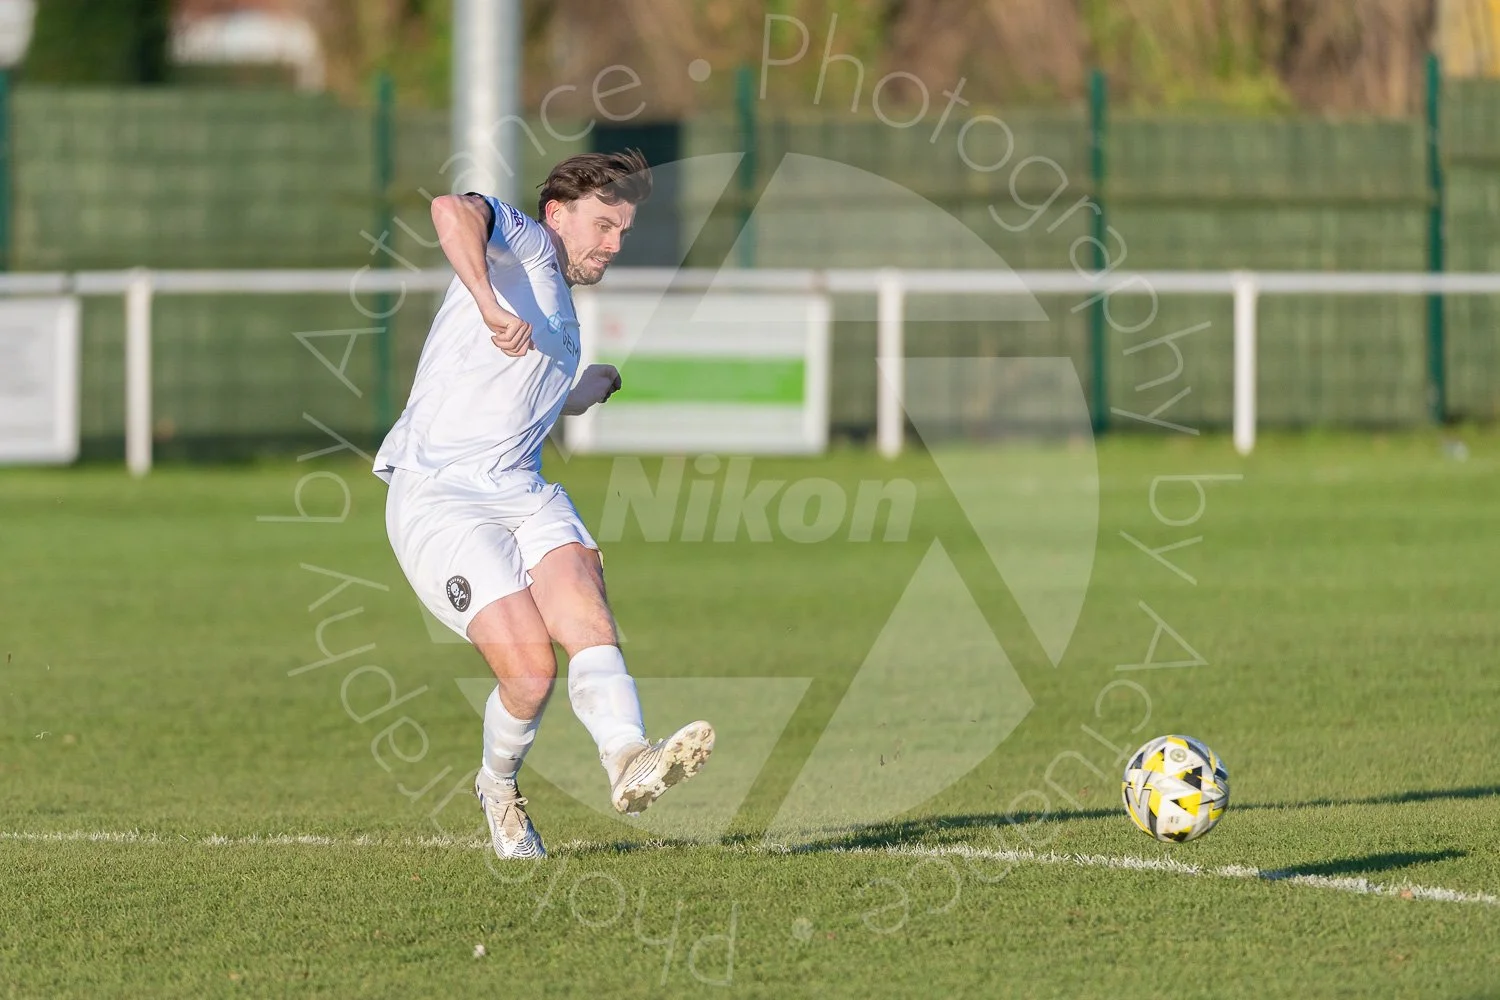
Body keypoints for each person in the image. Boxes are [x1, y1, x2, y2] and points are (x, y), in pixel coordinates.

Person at [374, 149, 714, 859]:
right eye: (603, 226)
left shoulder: (563, 311)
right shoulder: (525, 245)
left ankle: (628, 758)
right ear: (556, 214)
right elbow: (450, 211)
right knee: (530, 674)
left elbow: (523, 396)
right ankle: (497, 787)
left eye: (622, 231)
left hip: (520, 488)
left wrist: (587, 387)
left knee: (585, 608)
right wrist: (488, 302)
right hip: (440, 497)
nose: (613, 245)